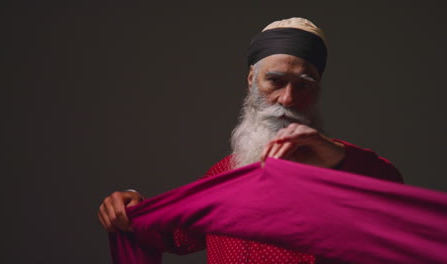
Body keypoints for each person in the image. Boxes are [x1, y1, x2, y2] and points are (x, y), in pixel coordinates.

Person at [98, 17, 403, 264]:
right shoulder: (221, 174)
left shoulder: (342, 165)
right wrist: (133, 206)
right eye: (276, 81)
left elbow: (392, 194)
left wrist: (333, 157)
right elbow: (176, 236)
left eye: (304, 84)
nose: (287, 98)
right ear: (251, 80)